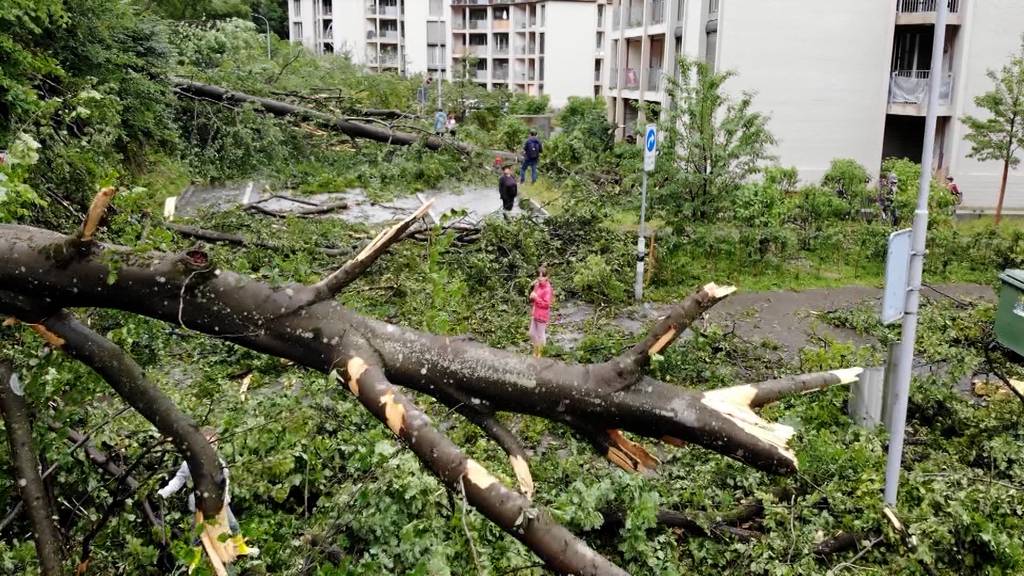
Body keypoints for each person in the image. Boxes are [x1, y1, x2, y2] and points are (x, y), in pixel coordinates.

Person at [157, 427, 258, 559]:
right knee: (197, 533)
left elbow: (225, 482)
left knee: (232, 524)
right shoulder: (190, 463)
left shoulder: (219, 463)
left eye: (215, 444)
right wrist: (165, 492)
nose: (212, 447)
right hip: (200, 502)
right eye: (208, 443)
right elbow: (179, 479)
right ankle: (195, 560)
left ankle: (240, 548)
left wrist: (224, 498)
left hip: (218, 500)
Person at [528, 265, 553, 358]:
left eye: (542, 276)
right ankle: (536, 349)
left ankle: (540, 353)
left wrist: (536, 298)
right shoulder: (537, 285)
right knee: (531, 333)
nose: (540, 278)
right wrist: (532, 296)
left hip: (542, 315)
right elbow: (533, 295)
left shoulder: (548, 289)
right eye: (539, 276)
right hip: (535, 313)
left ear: (547, 277)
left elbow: (546, 304)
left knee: (540, 334)